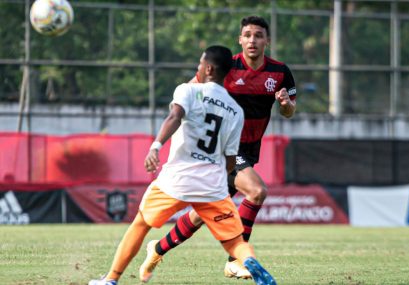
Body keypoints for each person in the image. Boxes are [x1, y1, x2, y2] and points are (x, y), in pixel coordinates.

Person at [88, 45, 277, 285]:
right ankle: (248, 261)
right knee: (235, 242)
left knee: (142, 223)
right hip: (212, 185)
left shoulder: (188, 90)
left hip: (177, 179)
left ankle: (111, 279)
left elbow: (174, 117)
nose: (197, 67)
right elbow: (230, 160)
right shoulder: (235, 111)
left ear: (208, 68)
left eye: (200, 63)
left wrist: (156, 146)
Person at [139, 15, 296, 281]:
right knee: (257, 191)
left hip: (248, 151)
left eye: (258, 35)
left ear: (267, 41)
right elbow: (190, 89)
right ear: (240, 39)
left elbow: (290, 112)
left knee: (202, 214)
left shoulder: (280, 73)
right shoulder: (227, 67)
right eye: (247, 34)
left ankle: (157, 248)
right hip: (223, 150)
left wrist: (284, 104)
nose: (252, 40)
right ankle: (236, 260)